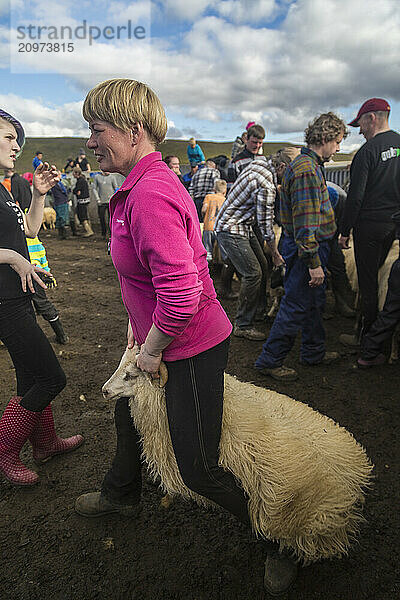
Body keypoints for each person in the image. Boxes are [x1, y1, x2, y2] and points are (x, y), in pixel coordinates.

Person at [73, 78, 297, 596]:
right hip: (156, 334)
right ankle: (122, 492)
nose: (89, 142)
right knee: (127, 412)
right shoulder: (142, 183)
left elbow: (182, 293)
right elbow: (152, 280)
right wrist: (138, 335)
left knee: (198, 467)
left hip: (188, 343)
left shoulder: (149, 194)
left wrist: (151, 351)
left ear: (133, 131)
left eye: (96, 129)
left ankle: (281, 539)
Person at [0, 109, 83, 486]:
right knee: (51, 377)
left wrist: (37, 194)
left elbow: (31, 229)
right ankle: (4, 450)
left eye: (17, 138)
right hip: (2, 300)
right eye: (7, 136)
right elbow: (14, 250)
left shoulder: (5, 187)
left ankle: (45, 443)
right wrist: (14, 258)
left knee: (29, 376)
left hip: (18, 296)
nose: (16, 144)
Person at [255, 112, 347, 381]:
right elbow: (306, 222)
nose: (339, 148)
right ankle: (270, 360)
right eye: (338, 141)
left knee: (314, 302)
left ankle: (313, 351)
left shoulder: (308, 164)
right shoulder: (307, 169)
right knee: (295, 304)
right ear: (326, 137)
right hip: (309, 248)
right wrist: (314, 263)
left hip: (309, 246)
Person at [338, 98, 400, 346]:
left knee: (369, 282)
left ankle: (366, 338)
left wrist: (344, 231)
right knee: (388, 281)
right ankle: (385, 337)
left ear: (371, 118)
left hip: (370, 227)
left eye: (360, 124)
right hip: (393, 227)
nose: (360, 130)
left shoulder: (367, 152)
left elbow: (356, 197)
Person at [215, 158, 283, 340]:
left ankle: (259, 311)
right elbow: (266, 224)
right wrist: (275, 253)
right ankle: (243, 324)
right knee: (253, 273)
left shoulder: (260, 163)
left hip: (242, 224)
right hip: (232, 227)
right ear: (282, 166)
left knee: (261, 264)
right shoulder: (267, 185)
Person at [25, 236, 69, 344]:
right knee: (42, 303)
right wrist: (46, 272)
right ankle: (62, 336)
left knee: (22, 306)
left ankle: (30, 338)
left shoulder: (13, 232)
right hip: (37, 271)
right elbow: (41, 254)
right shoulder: (33, 235)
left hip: (19, 271)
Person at [201, 179, 227, 262]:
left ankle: (208, 268)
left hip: (208, 226)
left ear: (214, 190)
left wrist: (204, 218)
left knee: (208, 251)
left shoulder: (208, 197)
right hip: (219, 228)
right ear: (225, 191)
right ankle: (225, 264)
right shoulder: (225, 200)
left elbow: (204, 210)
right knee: (222, 250)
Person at [92, 171, 119, 238]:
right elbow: (94, 189)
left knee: (111, 218)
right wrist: (97, 199)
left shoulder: (112, 177)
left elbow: (116, 188)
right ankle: (103, 233)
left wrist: (115, 198)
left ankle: (111, 233)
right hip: (101, 201)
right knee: (101, 218)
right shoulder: (97, 177)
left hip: (110, 201)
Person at [72, 166, 94, 237]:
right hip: (86, 200)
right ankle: (89, 229)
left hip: (82, 201)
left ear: (76, 173)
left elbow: (76, 191)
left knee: (83, 217)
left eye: (73, 173)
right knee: (85, 216)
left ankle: (89, 231)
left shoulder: (80, 181)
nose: (72, 175)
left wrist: (74, 191)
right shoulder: (83, 179)